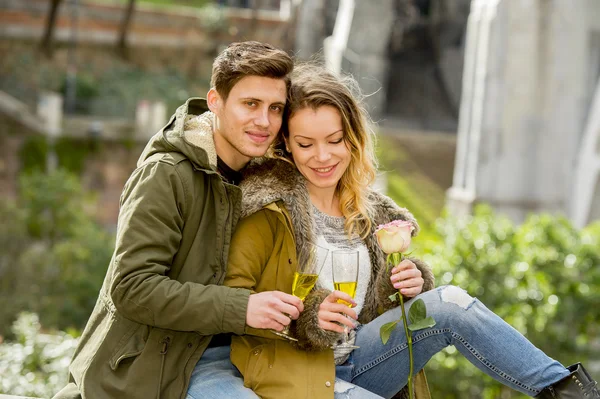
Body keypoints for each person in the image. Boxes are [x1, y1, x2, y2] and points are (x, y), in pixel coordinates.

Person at [220, 63, 600, 399]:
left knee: (449, 302)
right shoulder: (266, 207)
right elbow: (235, 303)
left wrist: (405, 284)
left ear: (353, 139)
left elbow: (380, 310)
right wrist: (307, 316)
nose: (323, 156)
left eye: (335, 141)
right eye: (306, 144)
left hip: (365, 360)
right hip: (293, 372)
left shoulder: (373, 212)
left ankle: (569, 392)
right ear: (286, 142)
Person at [53, 41, 301, 399]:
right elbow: (133, 288)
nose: (264, 121)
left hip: (240, 360)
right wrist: (243, 307)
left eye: (275, 108)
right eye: (251, 104)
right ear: (215, 101)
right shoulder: (166, 175)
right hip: (146, 375)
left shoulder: (264, 179)